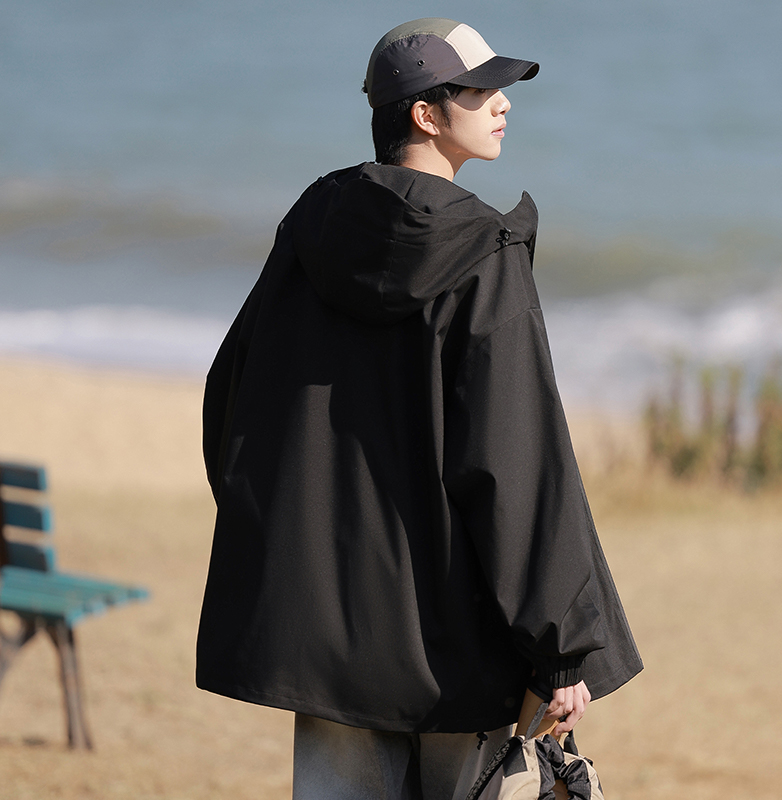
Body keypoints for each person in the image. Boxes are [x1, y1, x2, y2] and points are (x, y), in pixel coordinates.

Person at [197, 18, 642, 800]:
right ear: (426, 113)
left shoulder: (312, 226)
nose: (503, 103)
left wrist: (293, 556)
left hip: (327, 641)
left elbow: (232, 401)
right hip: (458, 655)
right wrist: (562, 648)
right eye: (481, 89)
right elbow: (514, 464)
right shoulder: (485, 254)